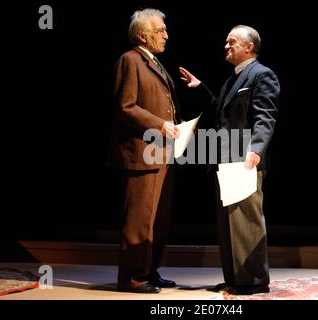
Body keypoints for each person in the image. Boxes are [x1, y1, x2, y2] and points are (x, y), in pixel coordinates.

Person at [179, 25, 280, 295]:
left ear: (249, 47)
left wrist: (256, 148)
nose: (226, 46)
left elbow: (265, 116)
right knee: (229, 225)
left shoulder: (261, 75)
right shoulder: (233, 78)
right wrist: (201, 88)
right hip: (225, 158)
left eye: (231, 42)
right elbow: (219, 111)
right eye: (226, 42)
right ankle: (237, 278)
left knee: (246, 222)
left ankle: (255, 280)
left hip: (245, 158)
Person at [107, 8, 181, 294]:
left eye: (164, 30)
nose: (166, 35)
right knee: (139, 220)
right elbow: (125, 106)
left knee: (158, 218)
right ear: (142, 35)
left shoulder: (155, 62)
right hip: (141, 153)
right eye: (160, 30)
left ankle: (150, 271)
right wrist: (160, 124)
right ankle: (132, 278)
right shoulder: (130, 60)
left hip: (161, 153)